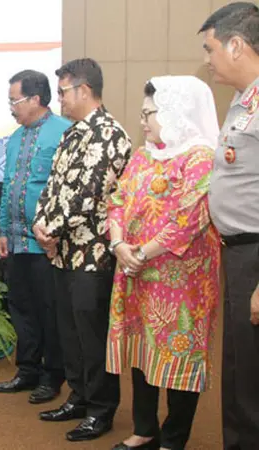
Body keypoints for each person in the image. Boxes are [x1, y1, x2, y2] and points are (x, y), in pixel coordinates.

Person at [106, 76, 221, 450]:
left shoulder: (201, 157)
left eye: (150, 113)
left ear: (176, 112)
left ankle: (174, 438)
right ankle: (144, 428)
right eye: (142, 114)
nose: (143, 122)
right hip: (136, 274)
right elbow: (118, 200)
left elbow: (188, 220)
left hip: (181, 282)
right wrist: (120, 243)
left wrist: (140, 254)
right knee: (143, 353)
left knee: (179, 357)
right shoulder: (143, 154)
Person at [32, 58, 132, 442]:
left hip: (94, 254)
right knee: (69, 332)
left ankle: (101, 409)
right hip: (63, 251)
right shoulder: (73, 133)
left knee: (92, 336)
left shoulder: (107, 133)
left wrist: (50, 229)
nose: (58, 99)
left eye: (62, 92)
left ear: (85, 90)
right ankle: (78, 396)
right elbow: (54, 185)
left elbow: (88, 195)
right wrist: (42, 226)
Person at [199, 3, 259, 449]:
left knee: (253, 378)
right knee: (240, 374)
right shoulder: (243, 101)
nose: (208, 59)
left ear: (236, 45)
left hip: (257, 256)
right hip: (238, 253)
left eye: (212, 48)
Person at [0, 70, 71, 404]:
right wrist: (2, 229)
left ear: (36, 99)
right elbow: (8, 186)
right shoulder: (14, 138)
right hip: (16, 241)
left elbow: (69, 190)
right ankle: (27, 370)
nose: (11, 107)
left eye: (15, 100)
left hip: (47, 245)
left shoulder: (64, 133)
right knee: (21, 308)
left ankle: (52, 377)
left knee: (49, 310)